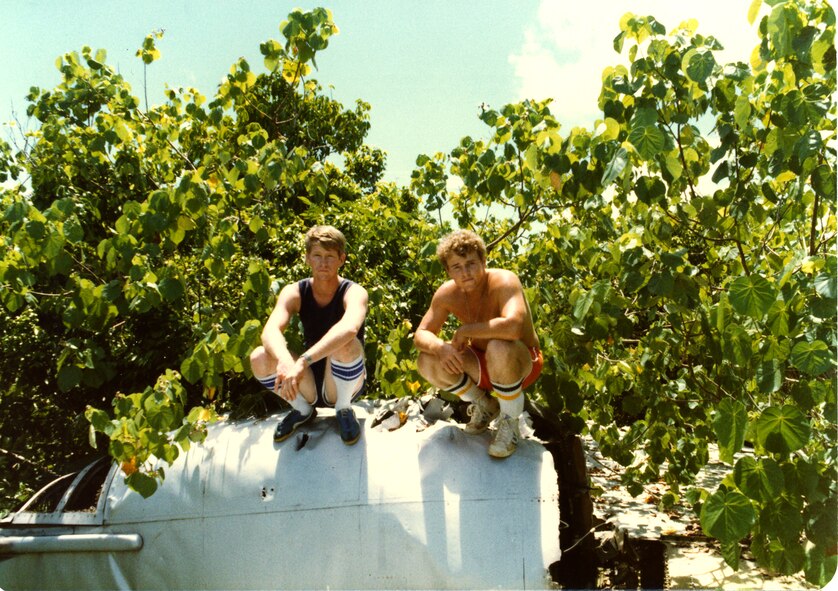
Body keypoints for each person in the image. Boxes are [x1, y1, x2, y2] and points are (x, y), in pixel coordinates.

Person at [414, 230, 542, 458]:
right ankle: (485, 405)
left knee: (499, 345)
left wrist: (466, 330)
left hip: (521, 362)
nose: (466, 272)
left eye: (471, 263)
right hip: (483, 363)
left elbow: (513, 328)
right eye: (457, 267)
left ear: (484, 260)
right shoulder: (447, 293)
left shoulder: (504, 280)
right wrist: (440, 348)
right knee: (427, 359)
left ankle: (510, 420)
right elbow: (421, 334)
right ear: (448, 271)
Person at [250, 225, 368, 445]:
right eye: (317, 256)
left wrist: (303, 360)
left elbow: (349, 328)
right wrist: (286, 361)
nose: (323, 263)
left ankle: (343, 409)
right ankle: (302, 410)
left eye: (330, 256)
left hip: (344, 378)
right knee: (259, 356)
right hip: (310, 382)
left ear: (342, 259)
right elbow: (270, 330)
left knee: (346, 342)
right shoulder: (294, 291)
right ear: (307, 259)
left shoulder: (354, 291)